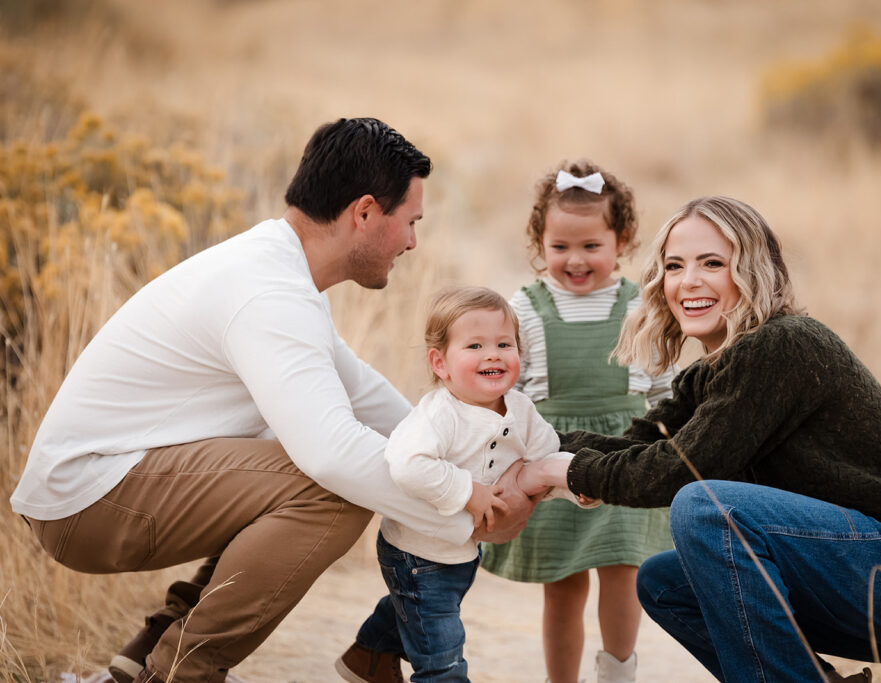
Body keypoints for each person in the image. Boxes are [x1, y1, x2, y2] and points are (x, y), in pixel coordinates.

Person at [9, 117, 533, 683]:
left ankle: (151, 649)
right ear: (363, 213)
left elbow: (364, 396)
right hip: (88, 497)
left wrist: (481, 459)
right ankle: (182, 673)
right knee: (329, 490)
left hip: (107, 484)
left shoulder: (278, 270)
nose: (412, 241)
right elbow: (332, 455)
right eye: (410, 223)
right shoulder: (269, 292)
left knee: (294, 455)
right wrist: (465, 508)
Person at [517, 196, 881, 682]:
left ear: (753, 272)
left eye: (713, 263)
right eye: (674, 266)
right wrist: (516, 442)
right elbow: (636, 446)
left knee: (704, 506)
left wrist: (563, 472)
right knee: (664, 583)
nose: (689, 281)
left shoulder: (784, 344)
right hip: (867, 574)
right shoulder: (710, 374)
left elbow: (675, 471)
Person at [479, 160, 676, 683]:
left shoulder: (641, 305)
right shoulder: (524, 308)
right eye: (560, 247)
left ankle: (618, 671)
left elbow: (663, 385)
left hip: (626, 454)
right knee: (562, 582)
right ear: (538, 242)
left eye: (591, 245)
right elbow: (510, 390)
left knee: (624, 566)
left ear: (622, 239)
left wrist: (669, 443)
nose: (575, 260)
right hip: (554, 455)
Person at [336, 286, 586, 683]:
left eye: (505, 343)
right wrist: (467, 491)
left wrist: (572, 485)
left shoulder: (520, 409)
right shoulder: (438, 415)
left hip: (462, 552)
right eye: (474, 345)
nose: (493, 354)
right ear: (441, 363)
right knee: (442, 652)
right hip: (416, 554)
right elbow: (406, 463)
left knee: (414, 608)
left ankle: (368, 655)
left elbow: (543, 458)